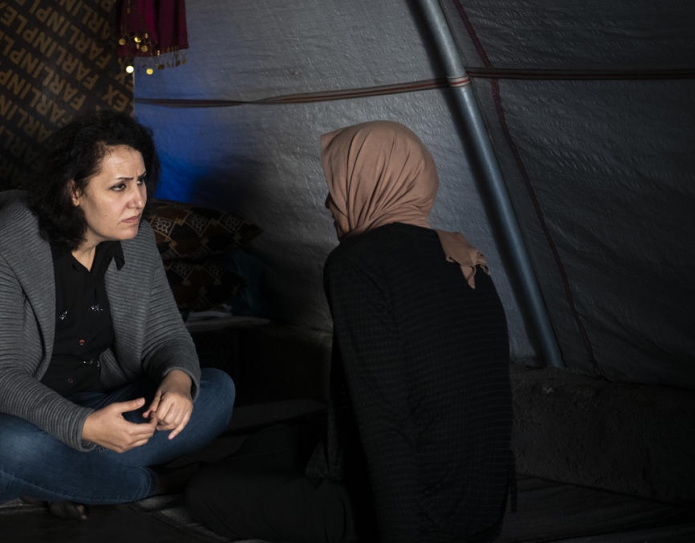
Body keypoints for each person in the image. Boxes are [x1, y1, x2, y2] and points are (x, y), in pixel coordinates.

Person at [0, 111, 235, 519]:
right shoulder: (3, 244)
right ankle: (150, 484)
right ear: (74, 191)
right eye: (118, 187)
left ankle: (54, 478)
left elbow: (166, 335)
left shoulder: (137, 238)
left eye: (140, 181)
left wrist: (178, 383)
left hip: (101, 401)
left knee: (216, 391)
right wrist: (84, 427)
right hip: (8, 419)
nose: (138, 200)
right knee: (8, 448)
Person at [186, 120, 513, 542]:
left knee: (207, 492)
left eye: (337, 184)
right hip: (480, 508)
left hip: (419, 516)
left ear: (369, 183)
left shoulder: (358, 264)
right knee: (275, 440)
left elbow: (385, 419)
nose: (328, 201)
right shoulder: (466, 258)